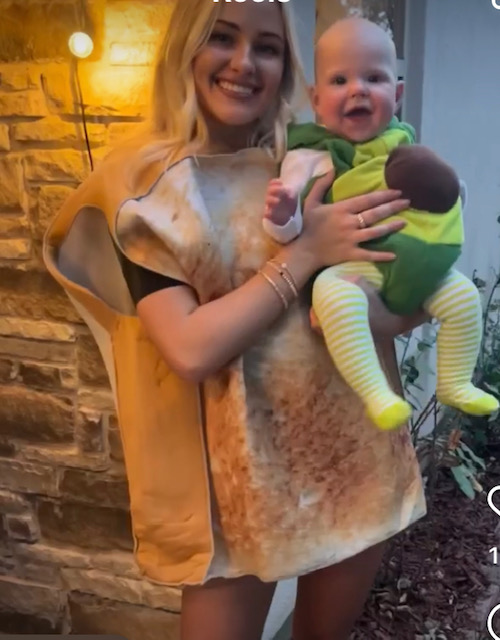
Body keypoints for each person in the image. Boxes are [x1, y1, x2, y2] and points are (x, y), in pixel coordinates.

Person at [43, 2, 428, 639]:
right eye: (222, 38)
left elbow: (392, 302)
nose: (245, 63)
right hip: (237, 483)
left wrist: (409, 294)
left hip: (352, 454)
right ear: (185, 48)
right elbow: (190, 349)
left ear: (287, 67)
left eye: (267, 47)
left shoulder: (317, 157)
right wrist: (306, 253)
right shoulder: (144, 186)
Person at [263, 17, 498, 432]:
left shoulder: (403, 144)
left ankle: (455, 382)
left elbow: (438, 196)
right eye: (340, 80)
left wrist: (451, 194)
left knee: (462, 295)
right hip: (354, 269)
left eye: (374, 78)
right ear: (316, 99)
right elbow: (290, 232)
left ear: (397, 94)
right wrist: (283, 213)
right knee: (334, 299)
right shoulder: (309, 157)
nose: (358, 89)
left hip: (410, 266)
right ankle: (376, 393)